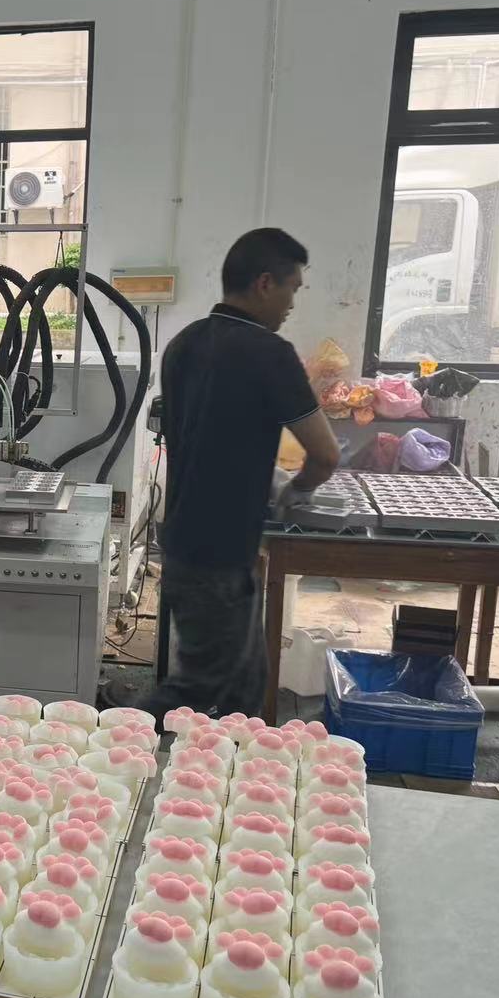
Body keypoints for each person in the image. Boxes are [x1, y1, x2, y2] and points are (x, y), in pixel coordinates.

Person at [144, 227, 338, 719]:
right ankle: (102, 746)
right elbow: (325, 455)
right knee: (197, 689)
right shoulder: (270, 353)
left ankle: (219, 766)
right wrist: (295, 491)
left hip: (185, 543)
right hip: (220, 554)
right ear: (265, 283)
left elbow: (212, 435)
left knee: (245, 689)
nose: (292, 304)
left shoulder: (183, 344)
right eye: (293, 288)